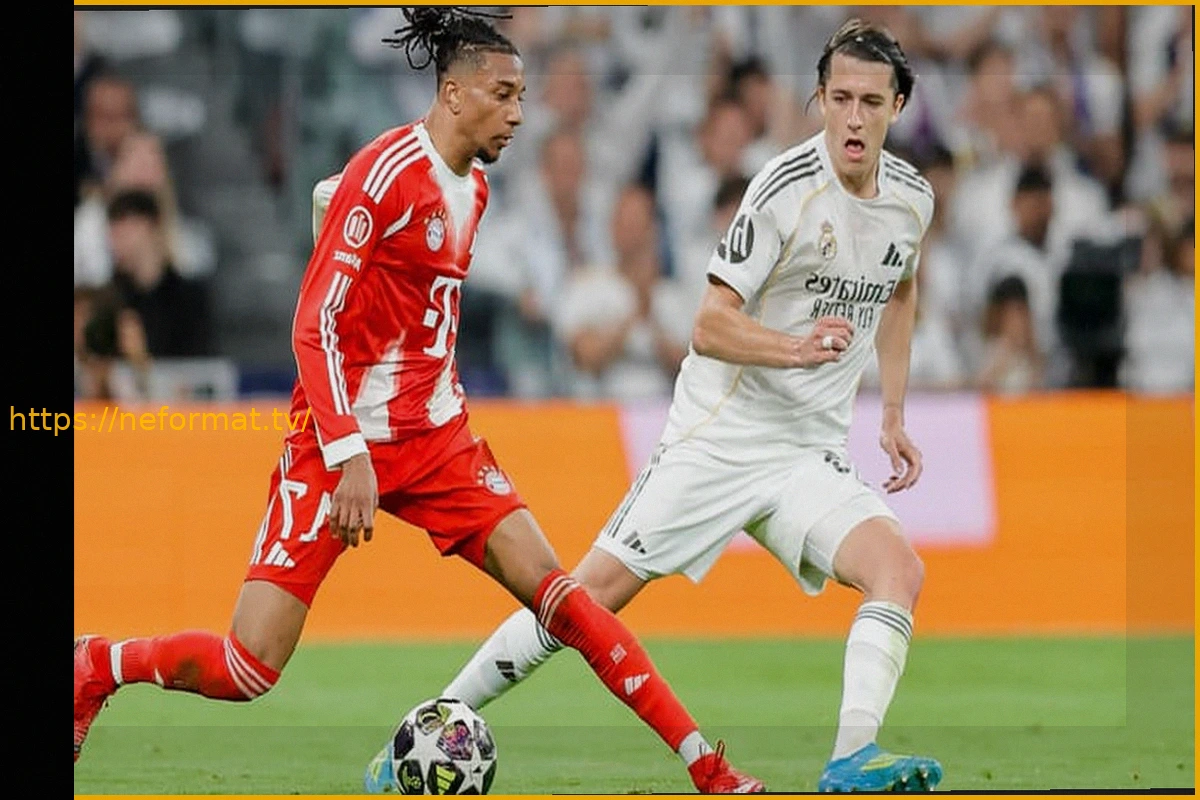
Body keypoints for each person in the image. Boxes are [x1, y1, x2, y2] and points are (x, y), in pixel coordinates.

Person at [73, 9, 762, 795]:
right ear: (454, 93)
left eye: (522, 96)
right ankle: (97, 664)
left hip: (437, 438)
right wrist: (348, 453)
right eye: (503, 95)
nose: (518, 113)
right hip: (337, 441)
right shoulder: (382, 174)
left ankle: (708, 768)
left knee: (564, 599)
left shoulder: (477, 189)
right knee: (248, 667)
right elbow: (311, 326)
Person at [439, 19, 944, 793]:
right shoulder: (782, 189)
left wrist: (894, 412)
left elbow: (900, 287)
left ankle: (852, 758)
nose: (852, 118)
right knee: (582, 601)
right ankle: (438, 717)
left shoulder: (911, 201)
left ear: (897, 106)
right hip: (719, 440)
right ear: (818, 99)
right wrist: (796, 348)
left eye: (870, 102)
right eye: (839, 98)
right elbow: (708, 325)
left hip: (806, 453)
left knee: (897, 569)